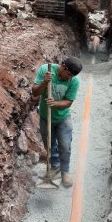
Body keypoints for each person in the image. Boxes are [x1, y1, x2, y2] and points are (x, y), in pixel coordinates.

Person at [32, 57, 82, 188]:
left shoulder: (74, 81)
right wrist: (45, 82)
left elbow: (69, 102)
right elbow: (35, 92)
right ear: (63, 66)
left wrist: (56, 103)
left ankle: (65, 172)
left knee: (65, 146)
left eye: (72, 76)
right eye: (68, 74)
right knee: (49, 145)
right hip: (45, 116)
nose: (69, 78)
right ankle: (54, 167)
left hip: (63, 118)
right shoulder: (45, 70)